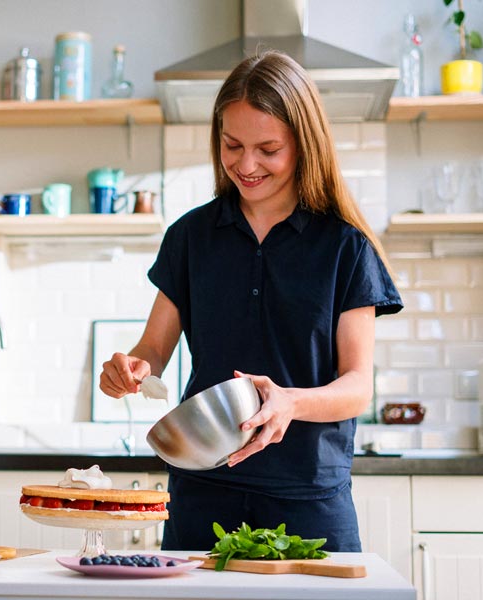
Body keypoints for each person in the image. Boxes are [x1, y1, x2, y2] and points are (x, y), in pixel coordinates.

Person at [99, 50, 402, 552]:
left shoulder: (345, 247)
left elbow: (357, 387)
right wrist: (129, 369)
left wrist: (290, 402)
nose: (246, 164)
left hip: (309, 499)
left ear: (304, 145)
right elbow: (153, 348)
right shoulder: (191, 237)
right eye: (232, 144)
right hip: (203, 493)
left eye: (268, 148)